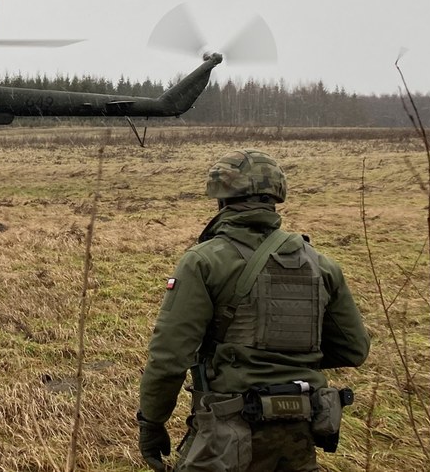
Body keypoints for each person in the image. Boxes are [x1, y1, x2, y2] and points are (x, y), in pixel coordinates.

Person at [138, 149, 369, 472]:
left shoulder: (203, 261)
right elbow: (354, 349)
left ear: (220, 198)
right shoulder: (321, 265)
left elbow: (169, 357)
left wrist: (151, 422)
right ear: (275, 198)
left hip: (226, 435)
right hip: (299, 431)